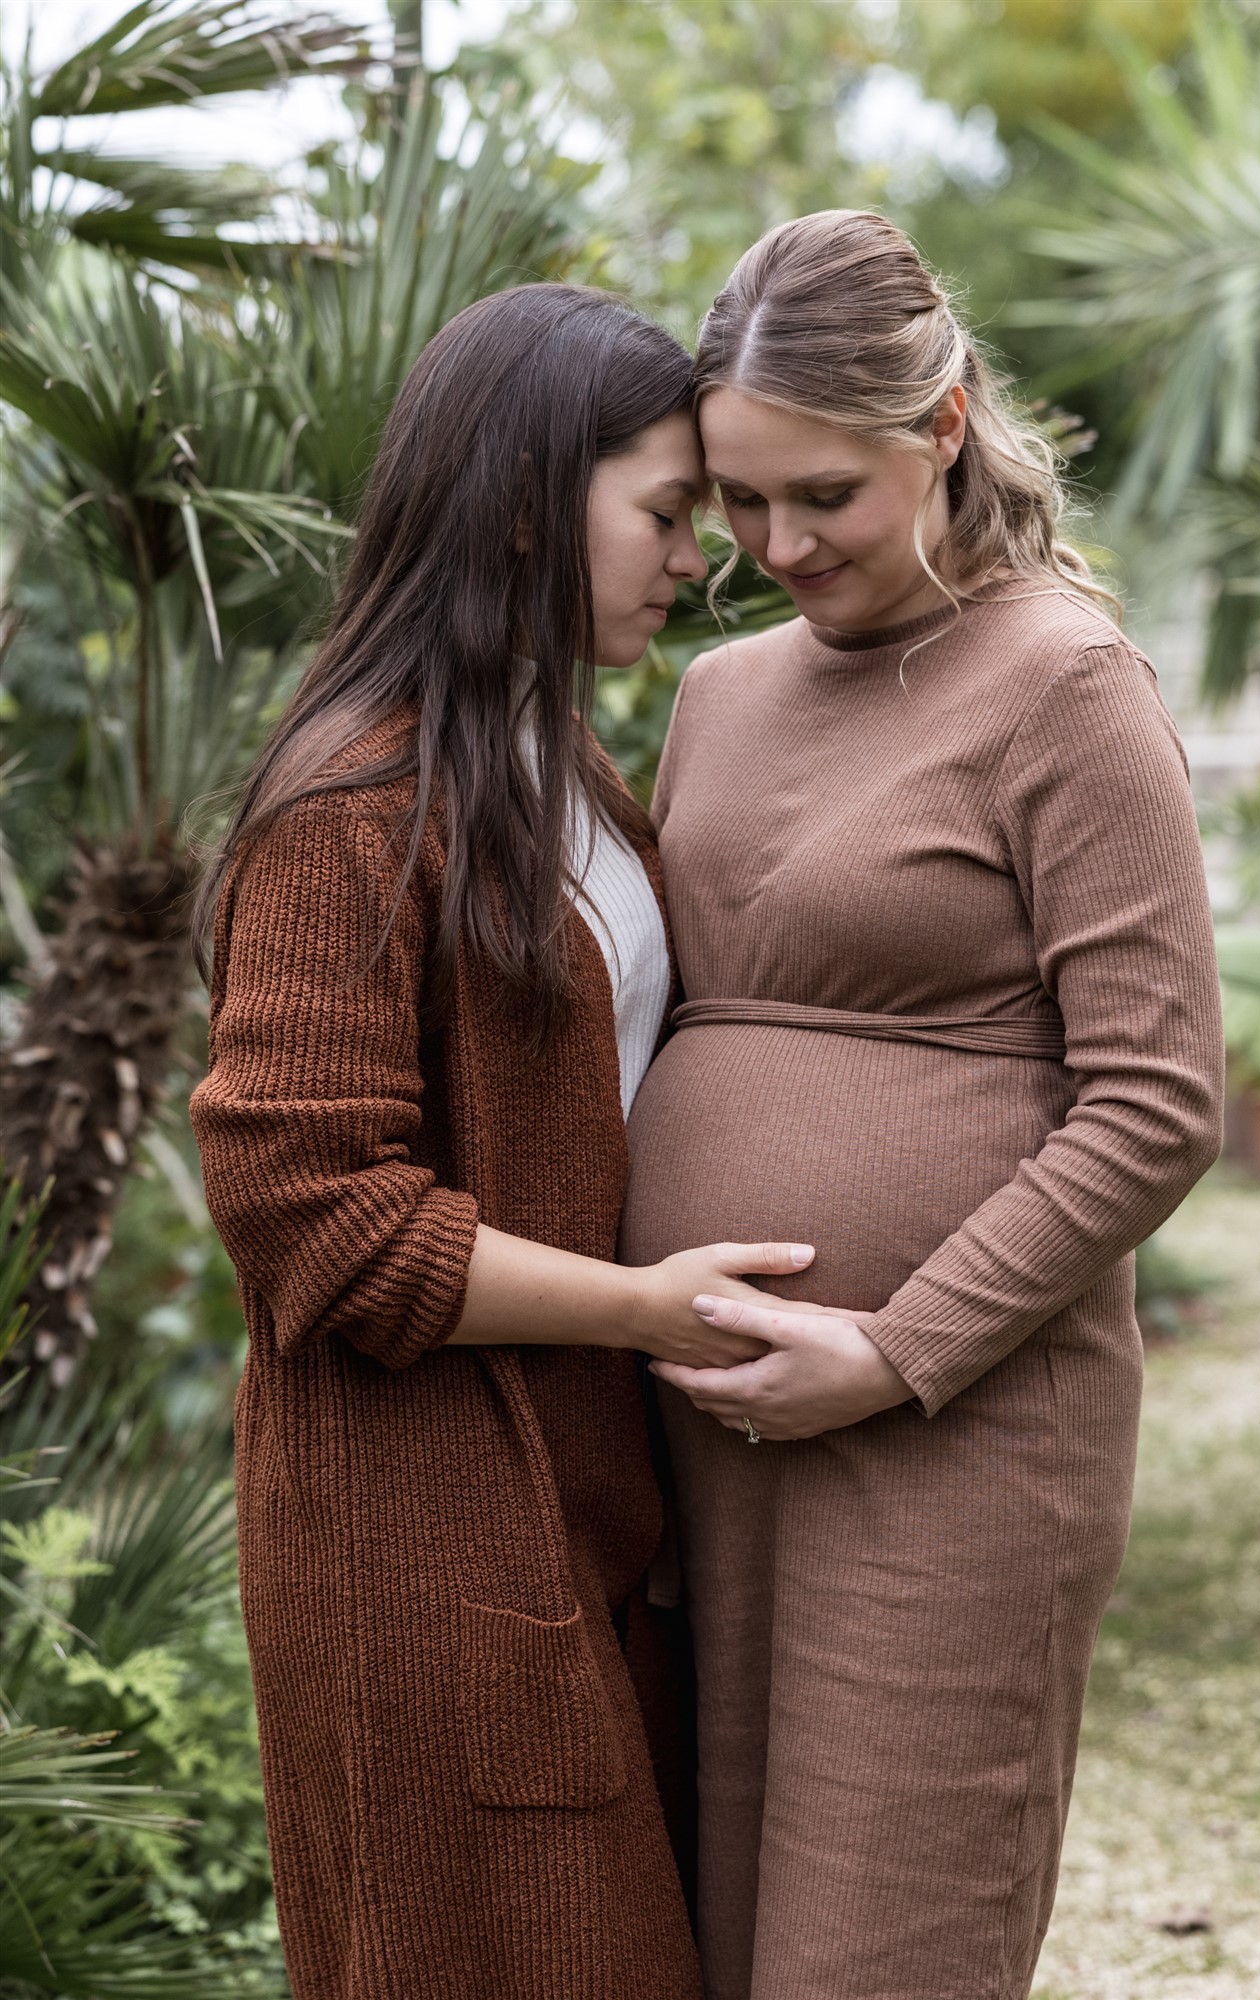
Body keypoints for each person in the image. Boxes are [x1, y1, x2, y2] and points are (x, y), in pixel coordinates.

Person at [189, 282, 821, 2000]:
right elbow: (305, 1211)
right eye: (669, 509)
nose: (702, 555)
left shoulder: (563, 770)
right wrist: (646, 1312)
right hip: (422, 1537)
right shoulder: (354, 809)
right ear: (536, 498)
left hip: (580, 1509)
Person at [619, 211, 1226, 1999]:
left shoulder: (1064, 685)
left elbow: (1153, 1101)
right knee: (722, 1945)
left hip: (953, 1434)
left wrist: (892, 1349)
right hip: (709, 1439)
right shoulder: (720, 694)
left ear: (943, 425)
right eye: (736, 499)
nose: (776, 545)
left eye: (824, 495)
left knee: (885, 1950)